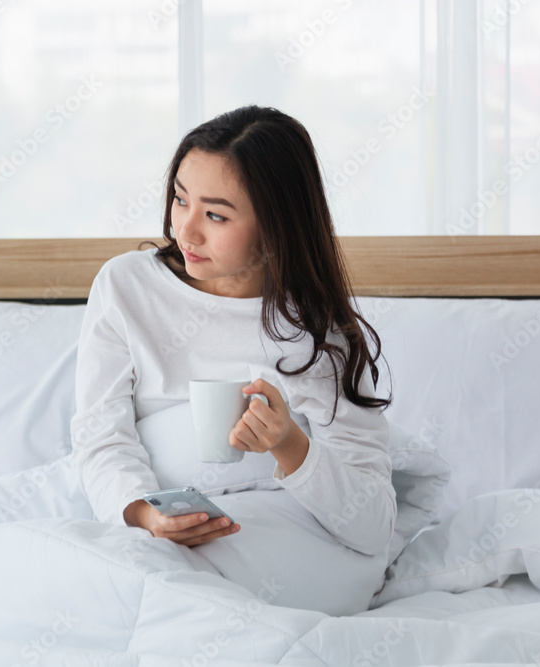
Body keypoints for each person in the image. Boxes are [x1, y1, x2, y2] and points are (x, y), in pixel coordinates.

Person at [69, 105, 398, 615]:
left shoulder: (318, 334)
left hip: (283, 537)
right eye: (181, 200)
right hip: (153, 526)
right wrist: (141, 513)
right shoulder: (126, 286)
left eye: (216, 215)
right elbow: (100, 433)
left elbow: (373, 524)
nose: (187, 231)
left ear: (275, 225)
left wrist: (289, 444)